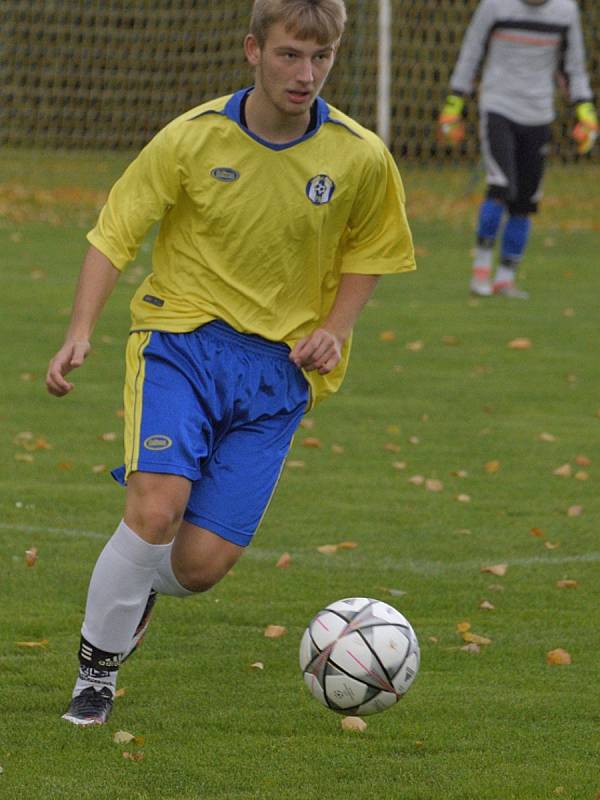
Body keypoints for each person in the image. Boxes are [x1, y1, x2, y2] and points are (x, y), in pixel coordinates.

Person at [45, 0, 416, 726]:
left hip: (278, 374)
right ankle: (97, 671)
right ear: (253, 49)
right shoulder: (192, 137)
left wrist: (336, 330)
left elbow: (373, 251)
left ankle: (140, 585)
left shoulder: (360, 156)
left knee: (198, 566)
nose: (304, 74)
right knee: (155, 509)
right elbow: (114, 232)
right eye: (288, 55)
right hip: (181, 342)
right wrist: (80, 329)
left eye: (320, 58)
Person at [438, 0, 598, 299]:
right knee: (501, 186)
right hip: (498, 106)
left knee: (525, 201)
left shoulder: (566, 11)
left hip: (539, 113)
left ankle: (505, 279)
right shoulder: (495, 7)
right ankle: (481, 272)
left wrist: (585, 110)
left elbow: (573, 65)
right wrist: (454, 103)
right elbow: (472, 52)